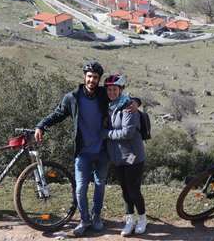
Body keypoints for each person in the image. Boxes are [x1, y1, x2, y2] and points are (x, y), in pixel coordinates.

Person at [34, 62, 139, 237]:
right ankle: (84, 219)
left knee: (100, 186)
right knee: (80, 188)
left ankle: (96, 216)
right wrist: (41, 125)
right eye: (89, 76)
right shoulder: (72, 97)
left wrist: (136, 101)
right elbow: (58, 114)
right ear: (84, 77)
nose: (92, 80)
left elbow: (121, 98)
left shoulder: (102, 95)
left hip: (102, 151)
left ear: (98, 80)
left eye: (95, 77)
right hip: (83, 151)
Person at [102, 74, 147, 236]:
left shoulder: (129, 106)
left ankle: (142, 218)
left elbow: (127, 133)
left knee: (133, 189)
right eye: (109, 89)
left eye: (115, 89)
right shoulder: (109, 105)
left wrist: (106, 134)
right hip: (117, 157)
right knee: (124, 190)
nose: (112, 92)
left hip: (132, 156)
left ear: (121, 90)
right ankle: (130, 220)